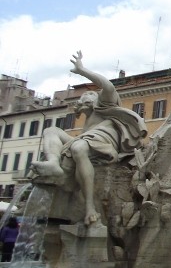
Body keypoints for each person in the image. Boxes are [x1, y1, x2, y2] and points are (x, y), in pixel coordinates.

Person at [30, 51, 147, 226]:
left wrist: (82, 70)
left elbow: (108, 86)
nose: (87, 95)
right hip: (85, 140)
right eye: (84, 96)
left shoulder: (105, 104)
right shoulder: (87, 121)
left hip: (104, 143)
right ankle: (53, 163)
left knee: (78, 147)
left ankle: (90, 208)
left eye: (91, 95)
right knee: (51, 130)